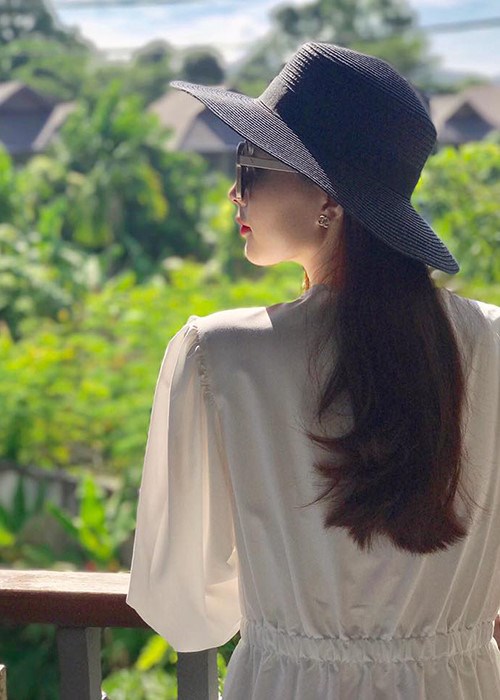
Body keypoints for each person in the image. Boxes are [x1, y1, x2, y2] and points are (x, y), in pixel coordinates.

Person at [127, 42, 500, 698]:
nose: (233, 192)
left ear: (326, 193)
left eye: (249, 165)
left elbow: (184, 606)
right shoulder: (491, 342)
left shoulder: (220, 356)